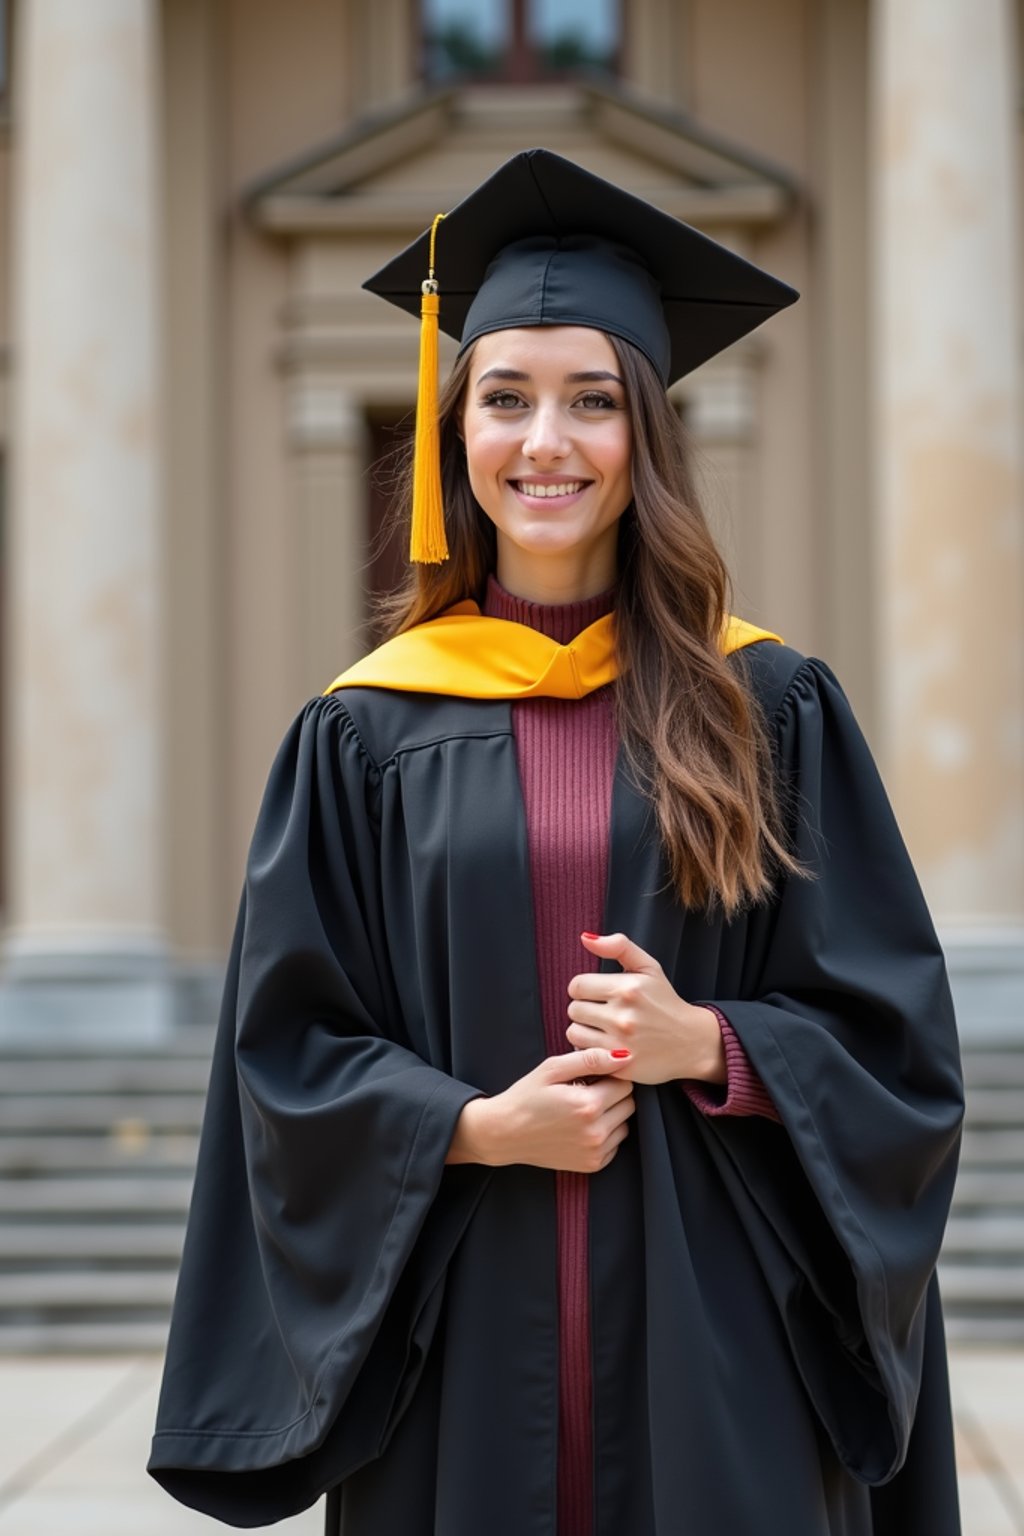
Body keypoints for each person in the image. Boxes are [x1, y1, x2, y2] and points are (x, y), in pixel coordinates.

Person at [148, 149, 964, 1535]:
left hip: (725, 1358)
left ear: (646, 434)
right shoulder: (363, 738)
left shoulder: (769, 706)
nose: (547, 443)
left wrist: (710, 1046)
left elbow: (898, 1047)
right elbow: (286, 1059)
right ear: (454, 428)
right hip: (460, 1350)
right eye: (507, 399)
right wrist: (471, 1127)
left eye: (594, 401)